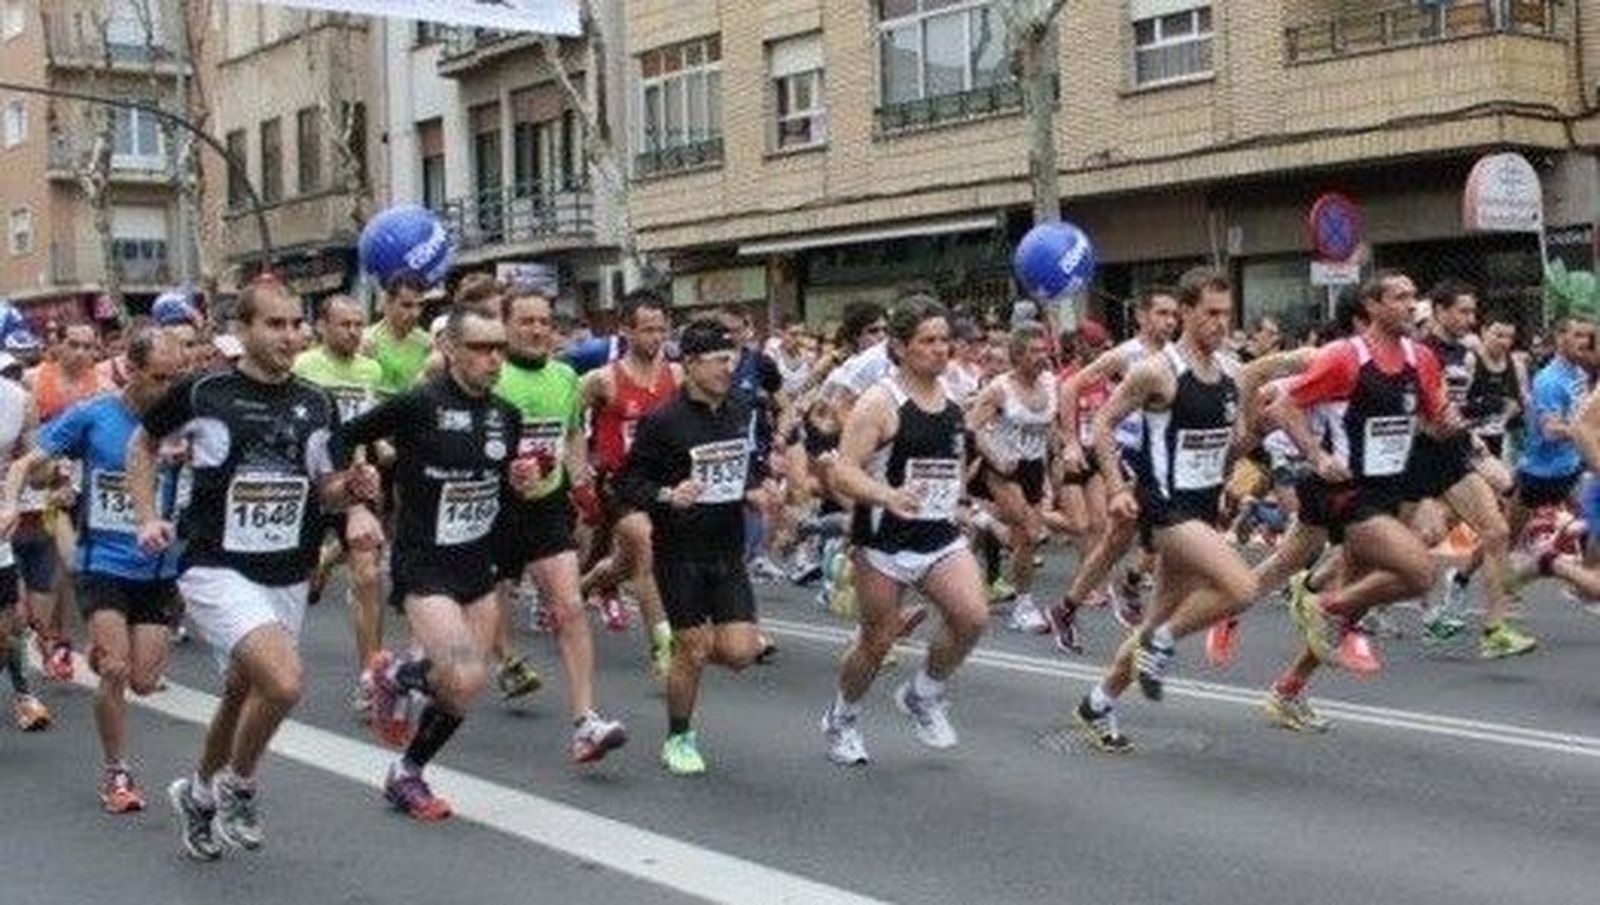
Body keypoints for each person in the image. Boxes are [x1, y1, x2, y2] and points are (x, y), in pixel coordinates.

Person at [131, 280, 380, 860]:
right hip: (214, 563)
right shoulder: (204, 392)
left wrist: (356, 490)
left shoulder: (318, 402)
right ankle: (239, 786)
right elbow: (143, 445)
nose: (290, 336)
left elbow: (328, 490)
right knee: (285, 681)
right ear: (242, 331)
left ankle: (197, 794)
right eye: (275, 324)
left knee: (244, 691)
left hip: (286, 568)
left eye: (296, 324)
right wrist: (146, 516)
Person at [341, 306, 542, 818]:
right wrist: (358, 497)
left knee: (459, 695)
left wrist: (518, 483)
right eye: (480, 348)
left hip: (478, 565)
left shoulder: (505, 415)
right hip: (424, 564)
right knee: (468, 675)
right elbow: (344, 437)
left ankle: (407, 772)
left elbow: (500, 487)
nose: (493, 358)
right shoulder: (418, 404)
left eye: (499, 347)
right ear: (451, 350)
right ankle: (400, 671)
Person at [1073, 269, 1255, 751]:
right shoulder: (1158, 370)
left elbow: (1226, 448)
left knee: (1153, 624)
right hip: (1164, 508)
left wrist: (1243, 453)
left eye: (1227, 314)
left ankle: (1097, 702)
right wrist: (1115, 488)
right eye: (1211, 313)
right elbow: (1105, 425)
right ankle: (1164, 642)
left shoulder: (1232, 373)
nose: (1220, 323)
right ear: (1187, 312)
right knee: (1241, 586)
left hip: (1202, 507)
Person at [1266, 271, 1453, 719]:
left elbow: (1433, 418)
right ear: (1372, 306)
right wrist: (1316, 455)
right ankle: (1316, 601)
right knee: (1420, 572)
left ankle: (1287, 690)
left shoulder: (1421, 358)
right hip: (1344, 492)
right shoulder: (1345, 358)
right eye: (1400, 297)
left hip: (1389, 488)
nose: (1412, 305)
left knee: (1360, 596)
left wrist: (1452, 424)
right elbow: (1284, 406)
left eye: (1414, 296)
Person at [15, 327, 187, 811]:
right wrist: (49, 478)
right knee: (114, 670)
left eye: (176, 379)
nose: (168, 389)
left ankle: (107, 651)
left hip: (156, 569)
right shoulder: (95, 415)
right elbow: (35, 463)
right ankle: (118, 773)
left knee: (144, 681)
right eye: (158, 378)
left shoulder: (185, 419)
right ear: (130, 371)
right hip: (103, 562)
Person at [820, 297, 989, 765]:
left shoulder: (954, 400)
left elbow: (950, 465)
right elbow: (844, 473)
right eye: (928, 341)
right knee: (877, 642)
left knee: (972, 616)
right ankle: (842, 718)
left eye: (944, 340)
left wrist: (959, 503)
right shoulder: (880, 402)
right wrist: (885, 495)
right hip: (883, 540)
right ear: (900, 347)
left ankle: (924, 693)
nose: (940, 350)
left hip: (937, 534)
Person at [617, 319, 772, 775]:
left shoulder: (741, 409)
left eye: (732, 359)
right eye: (718, 359)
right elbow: (627, 483)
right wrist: (667, 495)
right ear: (690, 364)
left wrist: (756, 489)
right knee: (695, 651)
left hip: (726, 551)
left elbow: (747, 469)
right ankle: (679, 737)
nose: (729, 368)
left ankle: (680, 641)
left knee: (741, 653)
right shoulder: (663, 421)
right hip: (679, 551)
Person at [493, 289, 627, 762]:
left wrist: (577, 479)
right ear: (505, 325)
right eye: (525, 321)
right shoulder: (493, 374)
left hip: (546, 508)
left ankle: (586, 721)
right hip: (492, 511)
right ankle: (411, 674)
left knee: (569, 607)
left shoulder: (566, 375)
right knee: (480, 620)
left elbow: (571, 431)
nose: (536, 330)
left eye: (544, 322)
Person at [1049, 288, 1179, 648]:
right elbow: (1071, 386)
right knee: (1142, 534)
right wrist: (1071, 441)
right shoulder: (1126, 354)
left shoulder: (1176, 354)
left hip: (1163, 458)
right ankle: (1130, 591)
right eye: (1161, 313)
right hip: (1130, 456)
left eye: (1173, 314)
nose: (1169, 321)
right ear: (1141, 316)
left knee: (1118, 541)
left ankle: (1074, 606)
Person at [292, 295, 390, 711]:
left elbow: (369, 422)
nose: (353, 332)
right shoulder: (304, 367)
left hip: (355, 484)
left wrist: (380, 445)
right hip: (312, 485)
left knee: (368, 577)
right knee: (293, 575)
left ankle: (371, 674)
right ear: (323, 328)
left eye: (358, 324)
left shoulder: (371, 369)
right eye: (344, 324)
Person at [580, 291, 682, 680]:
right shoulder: (602, 380)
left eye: (661, 329)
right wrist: (580, 470)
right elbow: (570, 425)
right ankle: (663, 645)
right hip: (619, 483)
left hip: (665, 482)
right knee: (645, 544)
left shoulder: (677, 375)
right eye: (647, 330)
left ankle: (585, 585)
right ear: (625, 330)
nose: (656, 337)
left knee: (624, 564)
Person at [966, 321, 1057, 632]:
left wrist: (1051, 472)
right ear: (1017, 356)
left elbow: (1048, 431)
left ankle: (1022, 603)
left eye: (1044, 349)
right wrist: (994, 458)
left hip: (1032, 468)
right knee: (1030, 531)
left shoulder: (1050, 382)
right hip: (1001, 469)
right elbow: (972, 426)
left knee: (1024, 542)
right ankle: (985, 519)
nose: (1041, 356)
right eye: (1033, 351)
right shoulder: (999, 389)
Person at [363, 273, 432, 398]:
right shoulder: (367, 341)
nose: (415, 313)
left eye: (420, 305)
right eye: (407, 305)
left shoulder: (427, 344)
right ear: (388, 302)